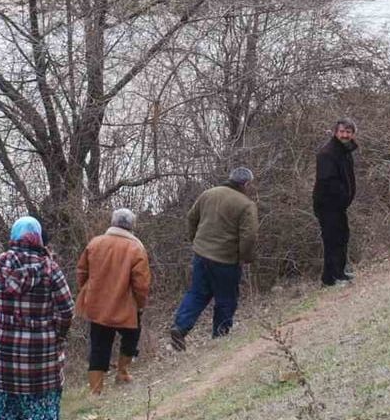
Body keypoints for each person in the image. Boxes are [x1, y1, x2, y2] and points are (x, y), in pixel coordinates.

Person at [0, 216, 75, 420]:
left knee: (8, 413)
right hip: (43, 362)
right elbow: (67, 310)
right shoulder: (50, 269)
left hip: (6, 364)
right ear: (38, 238)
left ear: (14, 236)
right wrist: (57, 336)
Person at [168, 167, 259, 351]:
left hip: (201, 255)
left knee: (197, 293)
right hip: (226, 260)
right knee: (226, 298)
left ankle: (180, 327)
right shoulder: (246, 204)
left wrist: (195, 240)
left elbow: (191, 217)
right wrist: (244, 258)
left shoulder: (208, 194)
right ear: (246, 184)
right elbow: (249, 236)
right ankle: (220, 337)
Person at [75, 208, 151, 395]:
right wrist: (140, 304)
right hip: (125, 305)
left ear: (112, 222)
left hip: (97, 304)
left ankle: (96, 389)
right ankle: (122, 372)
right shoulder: (136, 248)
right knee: (131, 336)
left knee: (99, 345)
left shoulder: (95, 243)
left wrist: (88, 291)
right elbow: (141, 284)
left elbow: (81, 272)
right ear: (132, 226)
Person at [314, 120, 358, 286]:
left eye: (348, 132)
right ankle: (333, 278)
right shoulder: (327, 153)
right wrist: (342, 197)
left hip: (339, 206)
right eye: (342, 131)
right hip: (328, 204)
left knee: (342, 236)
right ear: (335, 132)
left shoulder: (344, 151)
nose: (345, 135)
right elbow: (327, 181)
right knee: (333, 239)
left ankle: (337, 273)